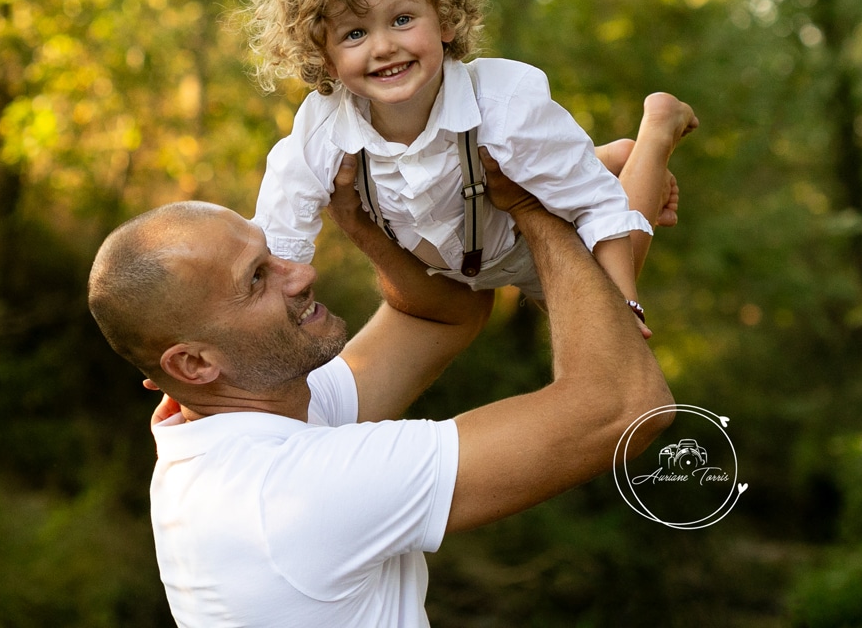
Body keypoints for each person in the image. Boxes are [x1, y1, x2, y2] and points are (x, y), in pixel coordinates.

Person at [85, 97, 696, 627]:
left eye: (275, 254)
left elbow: (441, 315)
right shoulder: (288, 495)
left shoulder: (238, 416)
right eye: (258, 279)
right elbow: (625, 408)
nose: (302, 273)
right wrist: (534, 208)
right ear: (193, 364)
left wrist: (363, 224)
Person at [242, 0, 679, 328]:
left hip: (524, 247)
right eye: (355, 33)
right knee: (545, 174)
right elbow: (281, 239)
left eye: (402, 19)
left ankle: (656, 130)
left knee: (595, 322)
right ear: (327, 60)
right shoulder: (321, 129)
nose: (383, 46)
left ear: (445, 20)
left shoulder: (503, 106)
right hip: (449, 271)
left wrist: (626, 303)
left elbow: (595, 203)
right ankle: (600, 156)